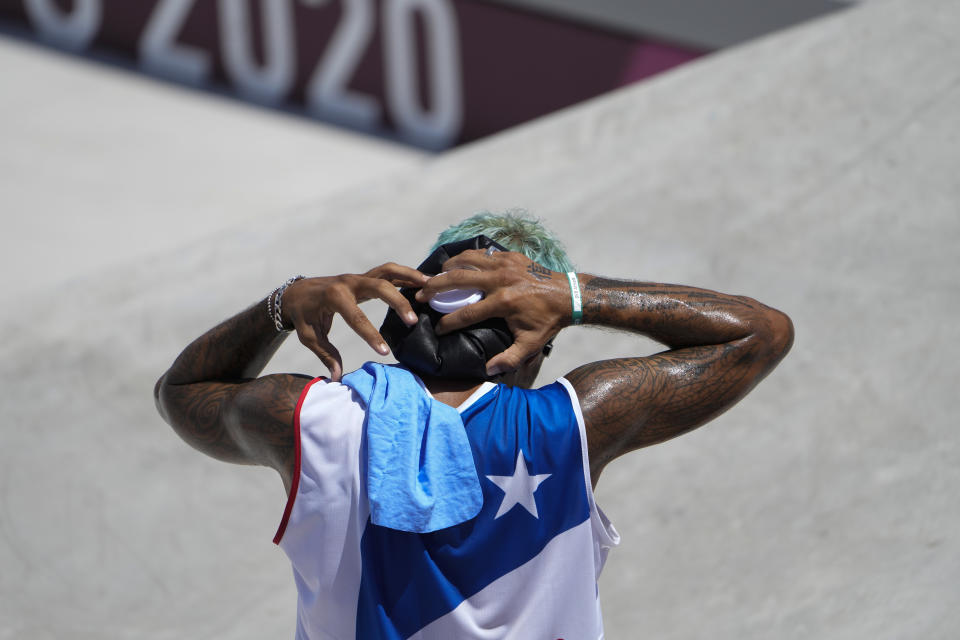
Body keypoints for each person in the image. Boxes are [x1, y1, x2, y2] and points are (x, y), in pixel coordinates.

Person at [155, 213, 793, 639]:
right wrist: (573, 296)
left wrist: (282, 304)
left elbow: (180, 392)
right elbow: (761, 333)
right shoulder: (573, 424)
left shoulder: (313, 420)